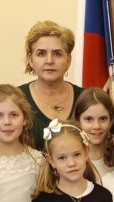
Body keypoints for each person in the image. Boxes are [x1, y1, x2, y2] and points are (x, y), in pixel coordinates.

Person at [19, 20, 83, 150]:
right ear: (31, 60)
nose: (49, 61)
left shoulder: (85, 97)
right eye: (41, 54)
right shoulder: (17, 99)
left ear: (68, 60)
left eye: (57, 54)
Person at [72, 88, 114, 177]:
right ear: (77, 120)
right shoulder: (70, 161)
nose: (96, 126)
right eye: (89, 119)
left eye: (103, 119)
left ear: (111, 120)